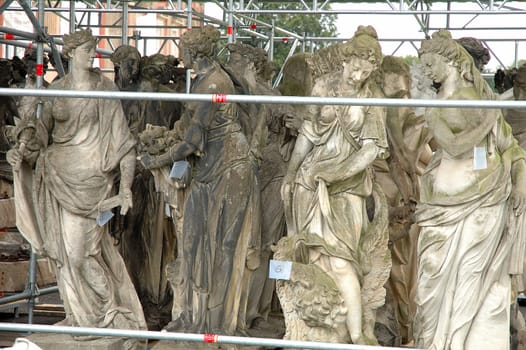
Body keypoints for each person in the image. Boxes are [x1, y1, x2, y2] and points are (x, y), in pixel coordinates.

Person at [7, 29, 146, 344]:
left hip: (92, 183)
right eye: (86, 50)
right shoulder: (58, 90)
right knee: (66, 257)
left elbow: (125, 145)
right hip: (57, 177)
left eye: (94, 49)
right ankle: (82, 316)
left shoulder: (105, 90)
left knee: (80, 253)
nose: (92, 55)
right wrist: (23, 148)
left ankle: (109, 311)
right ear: (70, 54)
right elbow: (40, 131)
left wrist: (124, 189)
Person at [142, 25, 261, 336]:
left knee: (222, 246)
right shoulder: (204, 80)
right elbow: (188, 130)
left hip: (230, 169)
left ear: (195, 52)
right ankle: (193, 315)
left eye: (184, 50)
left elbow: (192, 142)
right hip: (209, 169)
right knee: (195, 244)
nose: (181, 57)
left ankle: (215, 323)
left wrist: (154, 161)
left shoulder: (215, 83)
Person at [414, 29, 526, 350]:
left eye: (431, 62)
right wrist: (485, 122)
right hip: (441, 208)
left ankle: (461, 343)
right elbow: (452, 145)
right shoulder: (439, 105)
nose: (428, 70)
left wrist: (519, 184)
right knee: (431, 278)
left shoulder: (482, 103)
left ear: (450, 62)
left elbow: (513, 151)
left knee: (473, 281)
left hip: (485, 203)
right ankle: (436, 342)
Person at [281, 25, 390, 345]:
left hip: (348, 187)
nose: (359, 75)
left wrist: (339, 174)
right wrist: (290, 174)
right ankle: (313, 330)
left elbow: (372, 149)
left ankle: (355, 335)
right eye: (355, 67)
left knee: (343, 262)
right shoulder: (323, 86)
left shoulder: (373, 98)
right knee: (311, 257)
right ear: (345, 59)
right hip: (310, 182)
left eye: (367, 70)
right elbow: (307, 136)